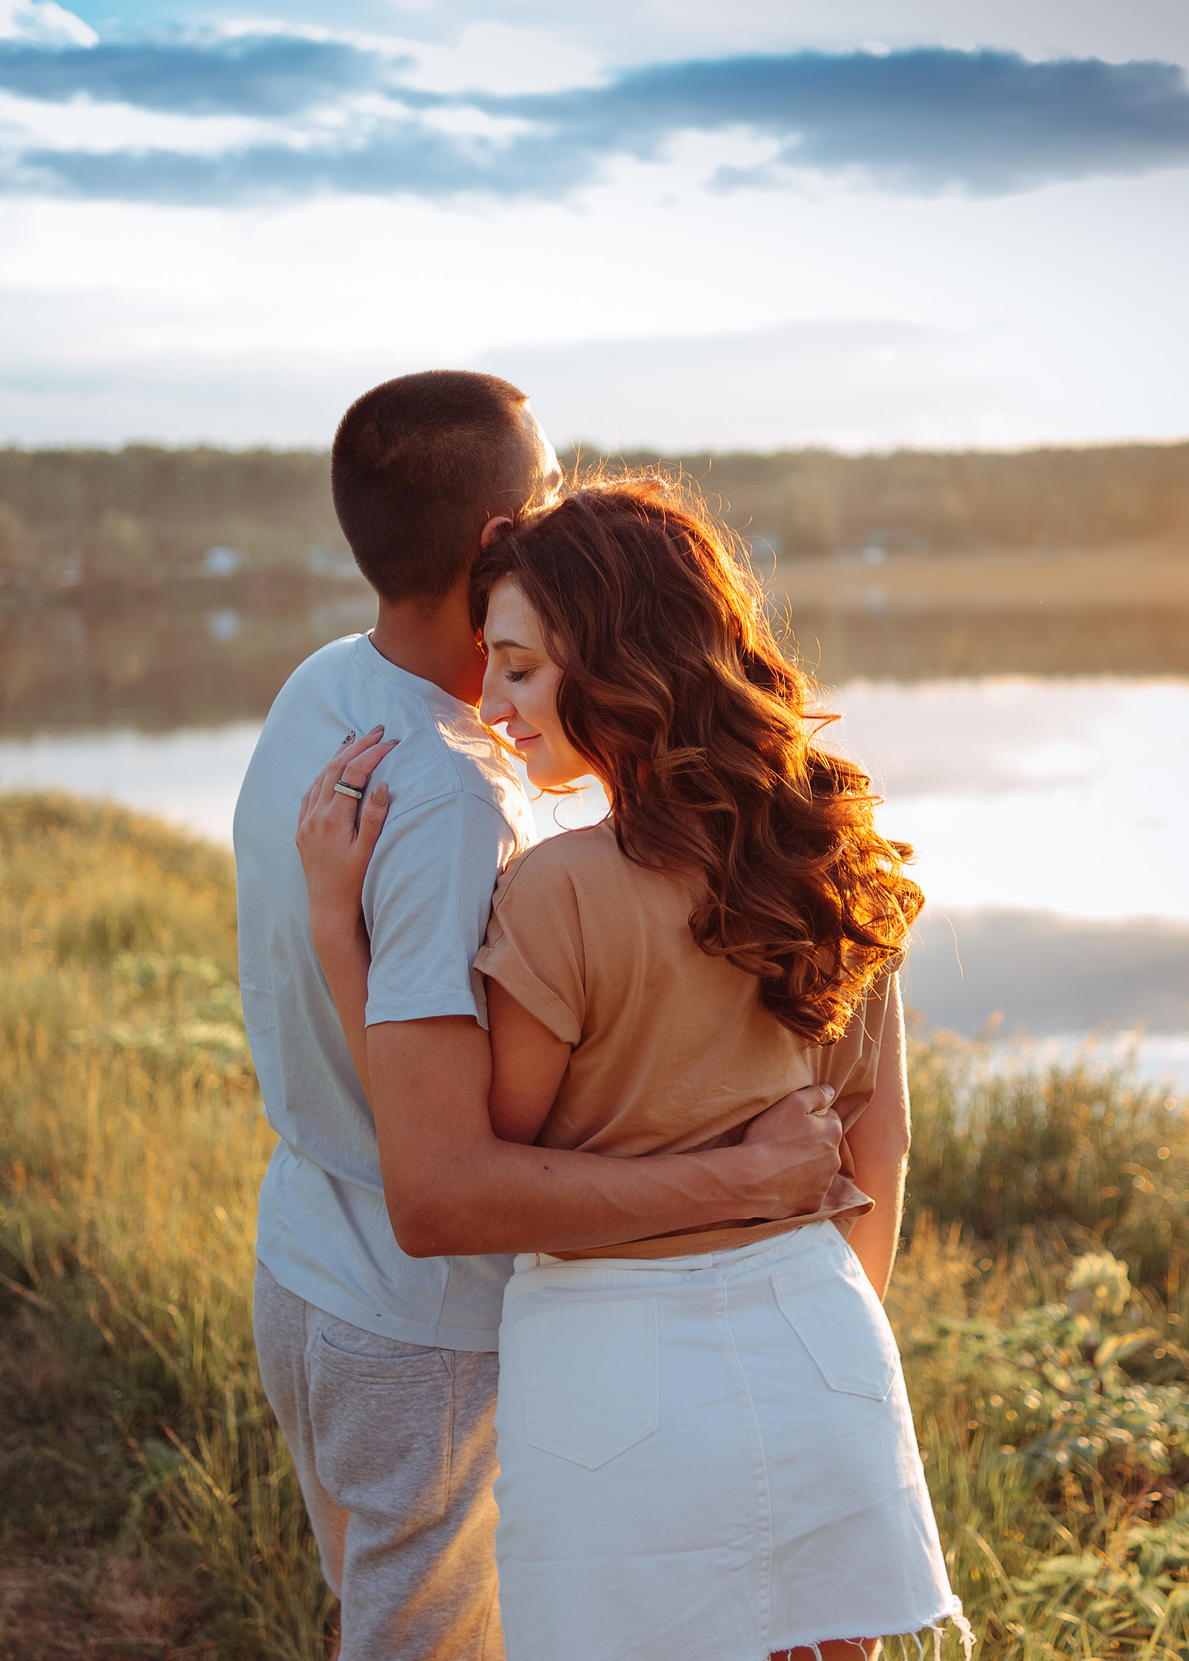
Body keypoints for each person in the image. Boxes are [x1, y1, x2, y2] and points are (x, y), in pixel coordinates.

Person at [236, 373, 849, 1661]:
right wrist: (742, 1175)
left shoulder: (322, 689)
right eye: (551, 488)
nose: (567, 509)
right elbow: (448, 1186)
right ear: (497, 542)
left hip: (306, 1265)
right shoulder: (453, 799)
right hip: (422, 1329)